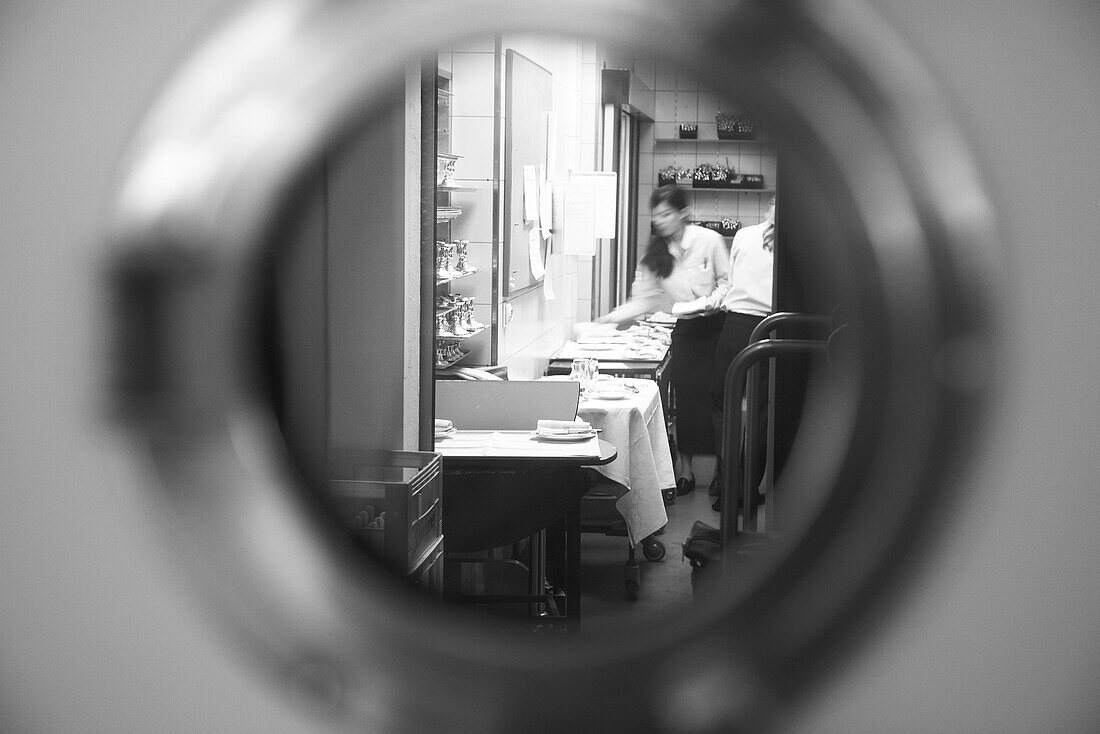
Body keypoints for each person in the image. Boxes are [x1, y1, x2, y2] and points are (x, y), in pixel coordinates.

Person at [595, 185, 729, 499]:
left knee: (718, 400)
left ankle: (724, 472)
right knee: (685, 401)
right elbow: (642, 299)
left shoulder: (708, 241)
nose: (660, 221)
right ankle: (685, 471)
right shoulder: (654, 254)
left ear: (683, 213)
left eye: (666, 213)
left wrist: (710, 301)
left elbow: (728, 282)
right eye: (656, 215)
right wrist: (610, 319)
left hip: (719, 326)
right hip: (686, 330)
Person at [706, 195, 775, 512]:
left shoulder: (746, 235)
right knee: (760, 412)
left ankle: (726, 487)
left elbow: (732, 281)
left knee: (724, 405)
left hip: (734, 326)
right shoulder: (796, 249)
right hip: (770, 328)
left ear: (769, 208)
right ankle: (748, 491)